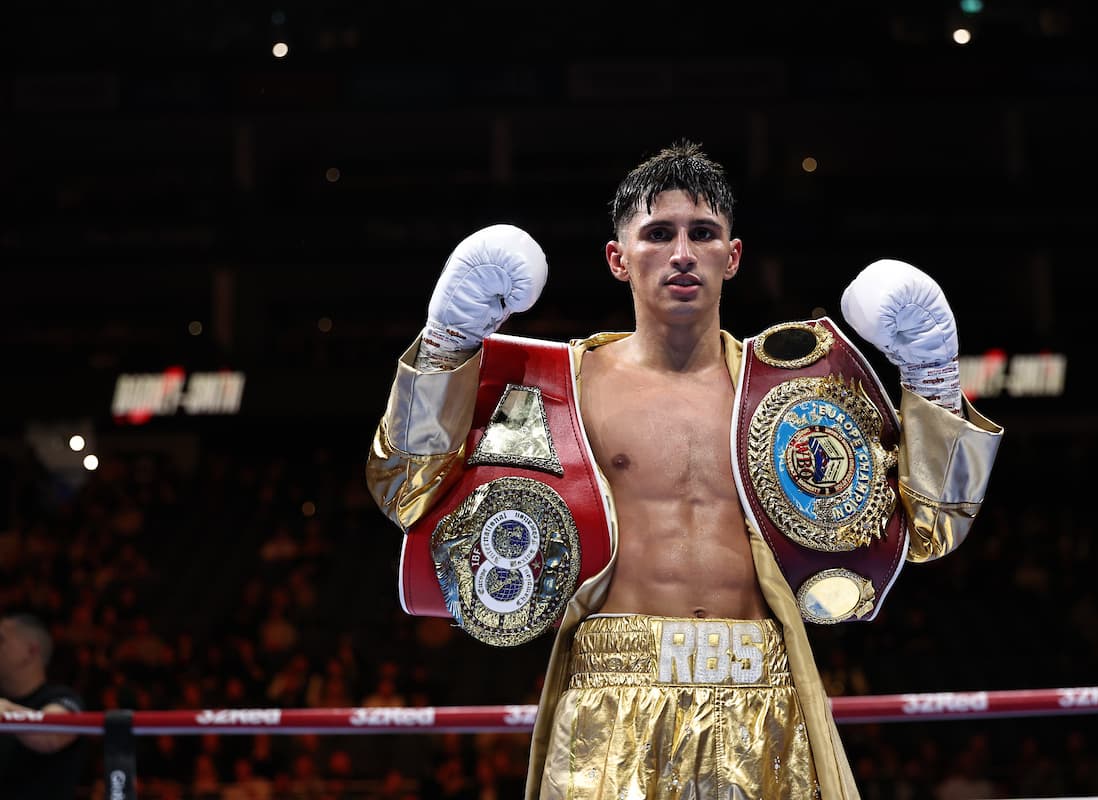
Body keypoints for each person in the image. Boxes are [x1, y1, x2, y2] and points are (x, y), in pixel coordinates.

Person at [366, 139, 1004, 799]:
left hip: (766, 695)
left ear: (732, 257)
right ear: (617, 258)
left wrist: (933, 381)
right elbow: (405, 490)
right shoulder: (557, 386)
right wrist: (445, 348)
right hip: (609, 699)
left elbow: (932, 528)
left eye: (703, 233)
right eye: (658, 233)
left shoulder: (797, 395)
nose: (681, 252)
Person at [0, 611, 88, 799]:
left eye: (2, 640)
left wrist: (5, 710)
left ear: (31, 651)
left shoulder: (63, 698)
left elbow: (50, 735)